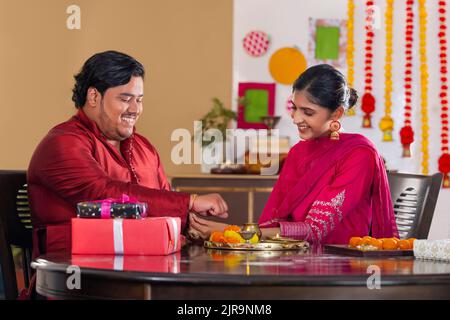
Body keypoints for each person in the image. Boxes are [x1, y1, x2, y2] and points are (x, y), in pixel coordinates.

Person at [28, 50, 228, 258]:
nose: (135, 109)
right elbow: (104, 194)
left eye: (139, 100)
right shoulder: (62, 143)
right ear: (94, 96)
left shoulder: (144, 148)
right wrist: (190, 201)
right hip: (78, 278)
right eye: (125, 99)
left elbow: (168, 211)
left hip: (144, 270)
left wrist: (226, 234)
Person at [189, 64, 398, 244]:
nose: (296, 118)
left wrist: (232, 233)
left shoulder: (359, 155)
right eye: (294, 108)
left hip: (341, 270)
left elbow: (315, 231)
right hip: (295, 258)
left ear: (337, 113)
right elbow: (276, 219)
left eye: (308, 112)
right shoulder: (299, 152)